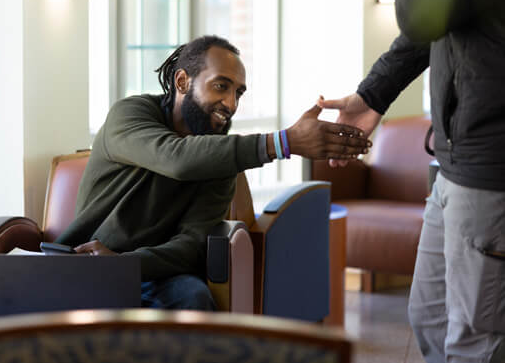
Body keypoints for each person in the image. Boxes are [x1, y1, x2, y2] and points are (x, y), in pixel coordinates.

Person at [56, 35, 371, 311]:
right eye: (221, 86)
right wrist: (283, 142)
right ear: (182, 82)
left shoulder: (221, 157)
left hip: (150, 272)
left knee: (193, 298)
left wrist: (127, 265)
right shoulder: (129, 115)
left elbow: (190, 244)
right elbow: (176, 159)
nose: (231, 104)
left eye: (238, 93)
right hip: (88, 263)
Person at [319, 0, 505, 362]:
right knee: (429, 317)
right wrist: (372, 95)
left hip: (488, 170)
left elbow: (416, 8)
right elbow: (427, 28)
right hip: (454, 165)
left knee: (476, 341)